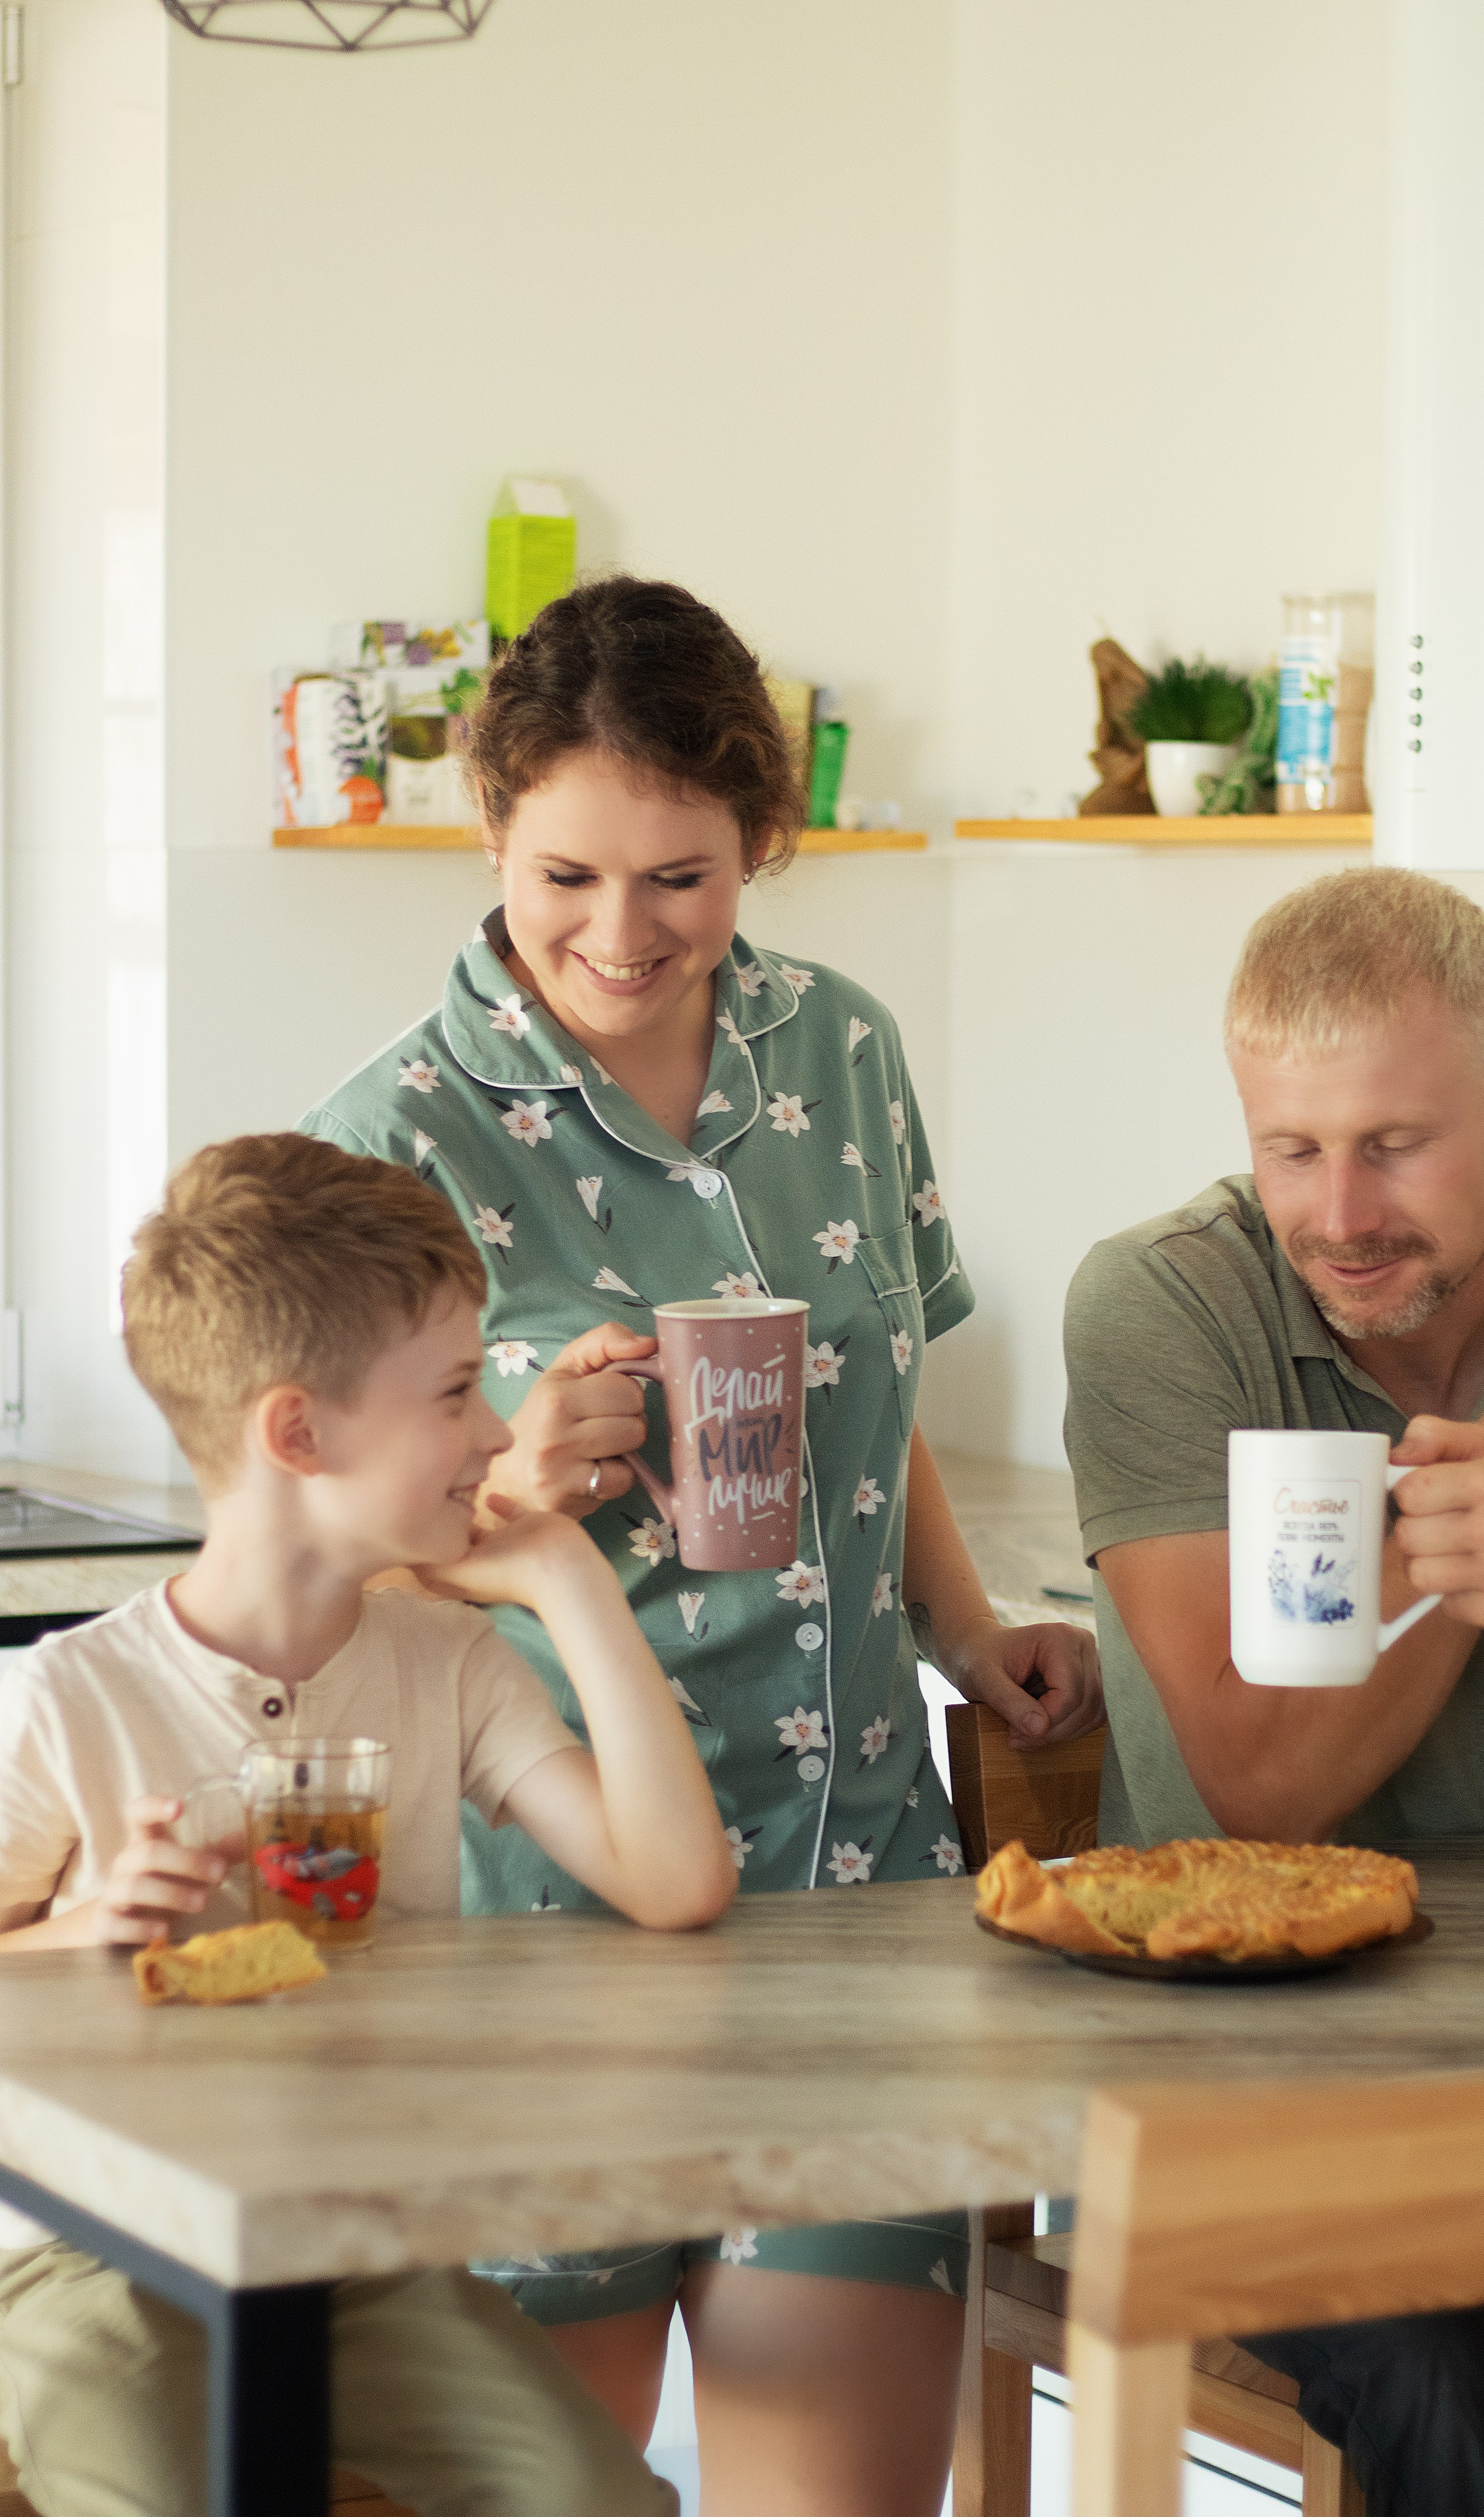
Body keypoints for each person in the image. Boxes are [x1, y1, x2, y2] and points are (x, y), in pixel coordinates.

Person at [302, 575, 1104, 2517]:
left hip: (854, 1908)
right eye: (568, 874)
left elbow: (875, 1387)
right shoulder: (383, 1139)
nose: (623, 934)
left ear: (761, 844)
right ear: (488, 828)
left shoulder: (841, 1049)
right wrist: (506, 1480)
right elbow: (324, 1573)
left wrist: (969, 1623)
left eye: (686, 877)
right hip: (539, 1929)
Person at [0, 1131, 738, 2517]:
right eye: (457, 1391)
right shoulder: (66, 1701)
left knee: (608, 2506)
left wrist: (566, 1579)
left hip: (355, 2259)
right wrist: (83, 1934)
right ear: (299, 1432)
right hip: (80, 2265)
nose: (488, 1431)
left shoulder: (439, 1665)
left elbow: (673, 1881)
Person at [1064, 865, 1484, 2516]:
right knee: (1449, 2367)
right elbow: (1265, 1787)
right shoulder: (1166, 1305)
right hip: (1251, 2085)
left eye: (1393, 1145)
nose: (1337, 1216)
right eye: (1292, 1149)